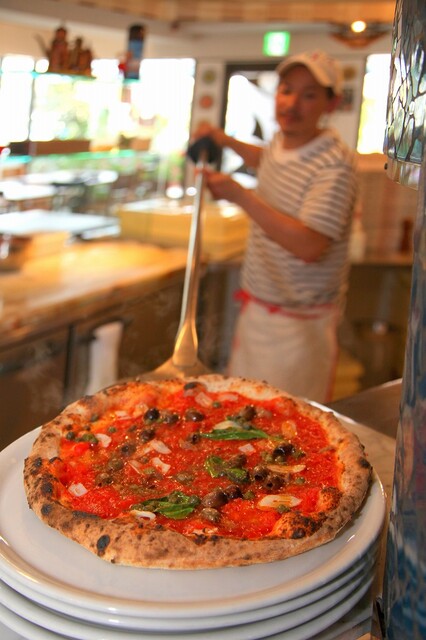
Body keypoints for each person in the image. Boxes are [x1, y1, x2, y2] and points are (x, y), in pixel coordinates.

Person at [194, 50, 357, 403]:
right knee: (241, 411)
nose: (292, 104)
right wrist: (225, 140)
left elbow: (310, 246)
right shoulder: (282, 142)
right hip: (257, 311)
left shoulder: (333, 165)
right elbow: (269, 160)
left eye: (309, 95)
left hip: (298, 326)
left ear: (331, 103)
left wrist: (240, 196)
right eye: (286, 90)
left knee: (287, 421)